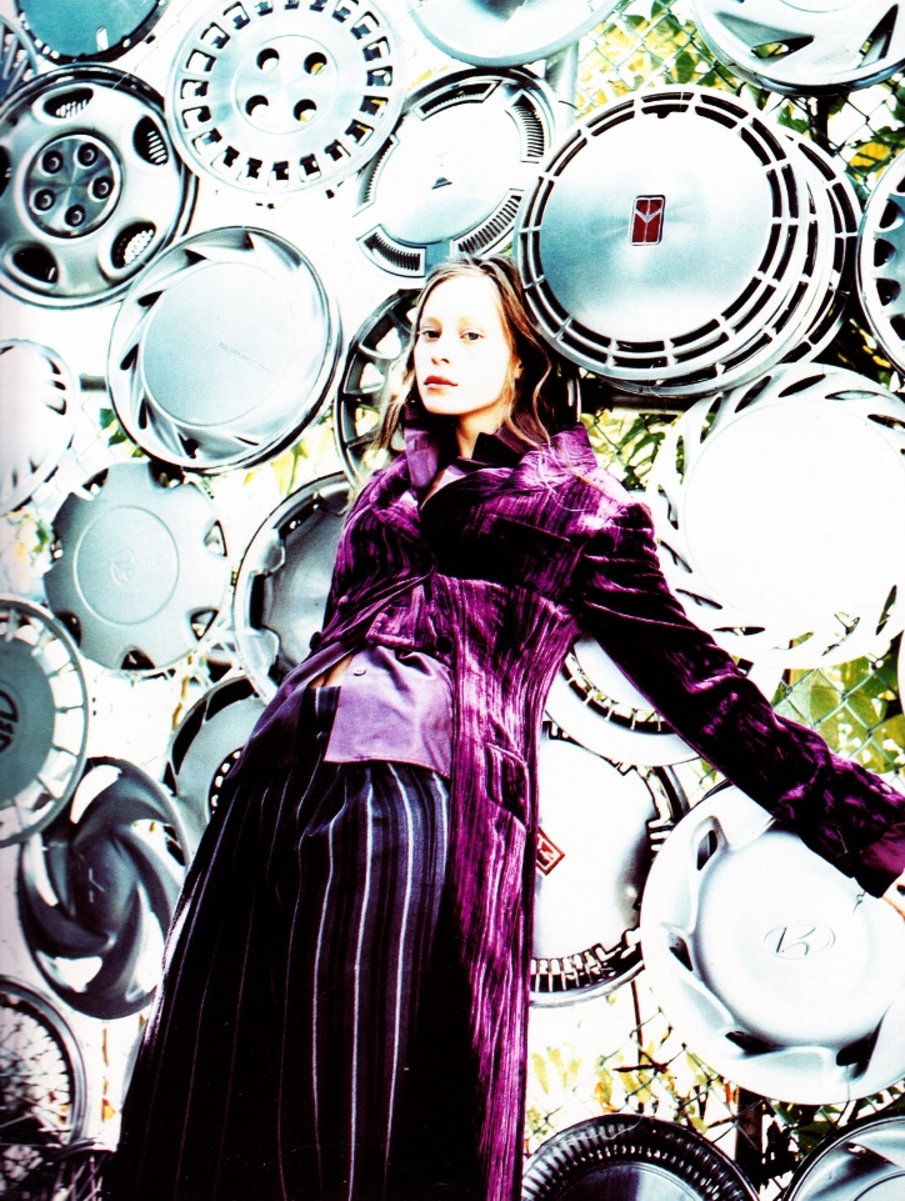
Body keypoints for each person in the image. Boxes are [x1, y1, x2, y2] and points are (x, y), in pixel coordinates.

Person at [110, 256, 905, 1201]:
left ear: (522, 358)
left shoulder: (584, 512)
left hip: (415, 794)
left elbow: (707, 695)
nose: (438, 353)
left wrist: (874, 832)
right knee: (206, 1075)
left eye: (470, 334)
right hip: (276, 783)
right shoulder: (382, 491)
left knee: (350, 1093)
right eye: (428, 333)